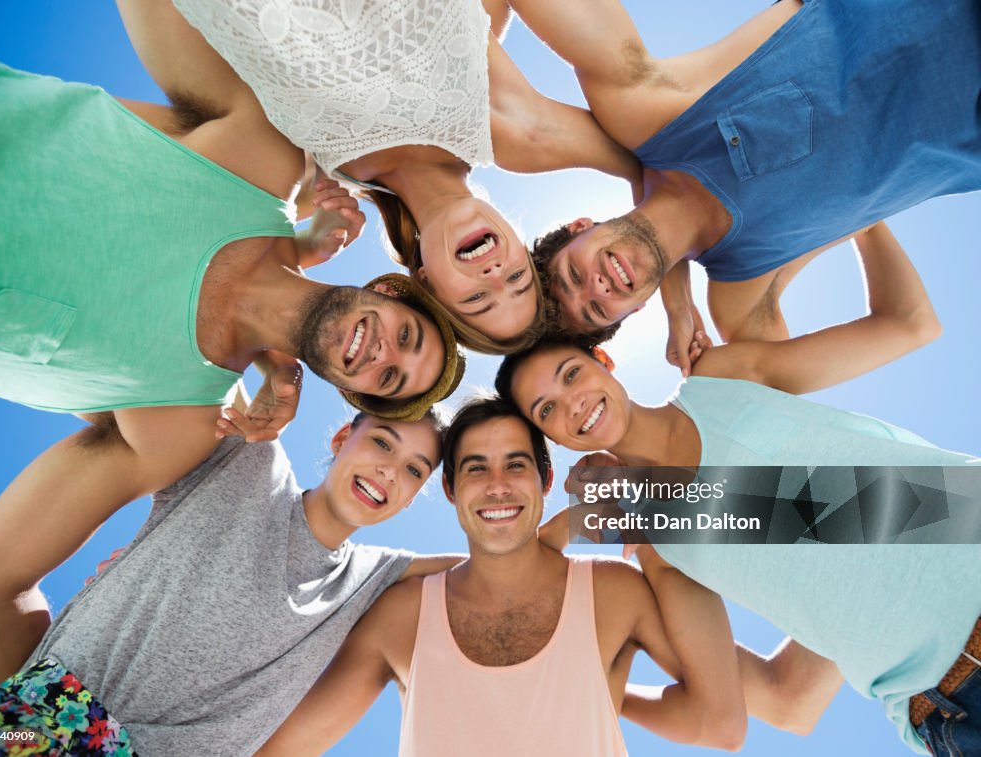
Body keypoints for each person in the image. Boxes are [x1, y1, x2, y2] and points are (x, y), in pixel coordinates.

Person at [0, 0, 465, 699]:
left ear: (355, 394)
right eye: (406, 336)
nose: (382, 351)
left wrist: (71, 731)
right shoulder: (260, 156)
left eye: (390, 379)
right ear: (388, 294)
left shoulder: (179, 427)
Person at [497, 223, 981, 755]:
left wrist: (862, 213)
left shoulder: (722, 380)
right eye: (547, 412)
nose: (572, 405)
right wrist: (600, 681)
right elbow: (785, 702)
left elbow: (910, 324)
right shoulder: (656, 543)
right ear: (551, 439)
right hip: (956, 702)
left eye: (570, 375)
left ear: (603, 361)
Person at [254, 396, 755, 756]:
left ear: (546, 480)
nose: (497, 486)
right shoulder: (399, 612)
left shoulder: (614, 591)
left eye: (515, 465)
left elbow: (723, 725)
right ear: (449, 489)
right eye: (475, 469)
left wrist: (643, 516)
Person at [506, 0, 981, 369]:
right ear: (632, 312)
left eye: (573, 275)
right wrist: (860, 211)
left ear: (579, 226)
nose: (598, 285)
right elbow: (906, 325)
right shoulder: (743, 298)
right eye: (596, 310)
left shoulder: (645, 110)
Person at [0, 406, 456, 756]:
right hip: (46, 722)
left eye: (413, 470)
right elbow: (137, 399)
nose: (389, 471)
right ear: (342, 437)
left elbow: (508, 568)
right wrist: (275, 368)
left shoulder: (375, 575)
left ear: (414, 497)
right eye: (382, 442)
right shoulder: (250, 458)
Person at [166, 0, 645, 352]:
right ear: (519, 242)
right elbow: (656, 168)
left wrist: (304, 225)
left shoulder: (320, 178)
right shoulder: (515, 134)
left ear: (427, 283)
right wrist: (674, 294)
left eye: (479, 298)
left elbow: (207, 272)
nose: (496, 275)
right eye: (518, 278)